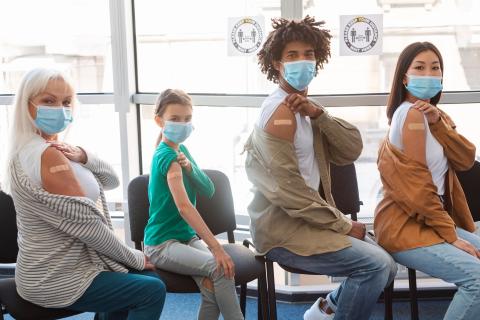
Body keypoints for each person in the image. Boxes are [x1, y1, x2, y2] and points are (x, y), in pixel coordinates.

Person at [244, 16, 397, 320]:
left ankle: (325, 310)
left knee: (387, 264)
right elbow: (289, 193)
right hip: (281, 232)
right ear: (277, 63)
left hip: (309, 221)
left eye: (309, 54)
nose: (303, 61)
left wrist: (320, 115)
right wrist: (342, 224)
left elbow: (351, 149)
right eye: (292, 55)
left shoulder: (304, 109)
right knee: (376, 266)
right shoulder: (280, 113)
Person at [2, 68, 165, 319]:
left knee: (142, 278)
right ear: (27, 105)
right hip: (54, 276)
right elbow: (88, 226)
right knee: (151, 289)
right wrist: (134, 257)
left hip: (71, 265)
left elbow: (111, 180)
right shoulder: (45, 155)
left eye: (66, 101)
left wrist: (83, 155)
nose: (60, 108)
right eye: (48, 101)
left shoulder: (54, 149)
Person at [374, 42, 480, 320]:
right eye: (419, 68)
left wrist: (439, 124)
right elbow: (418, 188)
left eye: (435, 68)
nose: (429, 74)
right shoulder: (410, 115)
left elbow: (466, 158)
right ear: (404, 78)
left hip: (428, 219)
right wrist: (452, 235)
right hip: (404, 225)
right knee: (477, 282)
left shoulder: (433, 115)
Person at [144, 89, 244, 320]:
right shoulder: (165, 156)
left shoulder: (182, 151)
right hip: (161, 244)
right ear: (159, 121)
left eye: (187, 119)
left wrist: (189, 167)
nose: (182, 124)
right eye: (175, 119)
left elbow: (208, 189)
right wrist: (217, 249)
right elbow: (184, 207)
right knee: (220, 267)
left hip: (185, 238)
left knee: (213, 284)